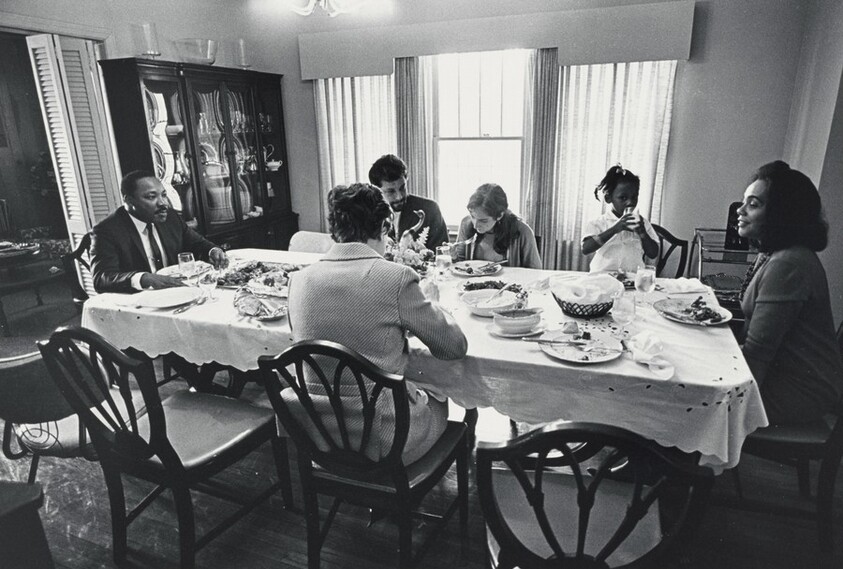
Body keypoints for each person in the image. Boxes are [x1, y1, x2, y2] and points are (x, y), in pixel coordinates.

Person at [286, 182, 467, 463]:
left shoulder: (298, 281)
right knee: (444, 399)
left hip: (322, 437)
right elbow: (453, 348)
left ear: (334, 229)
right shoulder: (396, 278)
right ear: (384, 226)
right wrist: (435, 304)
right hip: (386, 442)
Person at [737, 160, 843, 424]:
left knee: (685, 398)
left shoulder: (787, 263)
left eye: (754, 204)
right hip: (782, 377)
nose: (740, 210)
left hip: (796, 393)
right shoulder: (776, 253)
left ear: (780, 214)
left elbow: (758, 354)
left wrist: (732, 406)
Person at [91, 170, 227, 293]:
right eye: (151, 197)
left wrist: (213, 250)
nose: (163, 203)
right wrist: (142, 278)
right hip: (140, 302)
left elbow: (197, 243)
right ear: (128, 200)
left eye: (164, 195)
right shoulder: (107, 230)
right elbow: (101, 278)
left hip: (179, 291)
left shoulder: (171, 217)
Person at [582, 165, 659, 273]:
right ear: (608, 198)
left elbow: (653, 253)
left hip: (632, 278)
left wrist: (643, 234)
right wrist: (615, 229)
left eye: (634, 197)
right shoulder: (598, 223)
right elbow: (586, 249)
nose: (630, 202)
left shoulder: (643, 223)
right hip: (602, 277)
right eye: (623, 198)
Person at [368, 154, 449, 249]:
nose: (399, 197)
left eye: (402, 188)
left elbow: (443, 253)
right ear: (376, 190)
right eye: (391, 191)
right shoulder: (367, 214)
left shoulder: (430, 209)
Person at [453, 183, 542, 269]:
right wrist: (453, 257)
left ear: (499, 215)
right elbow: (460, 265)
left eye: (483, 220)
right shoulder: (466, 224)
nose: (475, 225)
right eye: (472, 216)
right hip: (471, 283)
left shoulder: (523, 232)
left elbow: (535, 272)